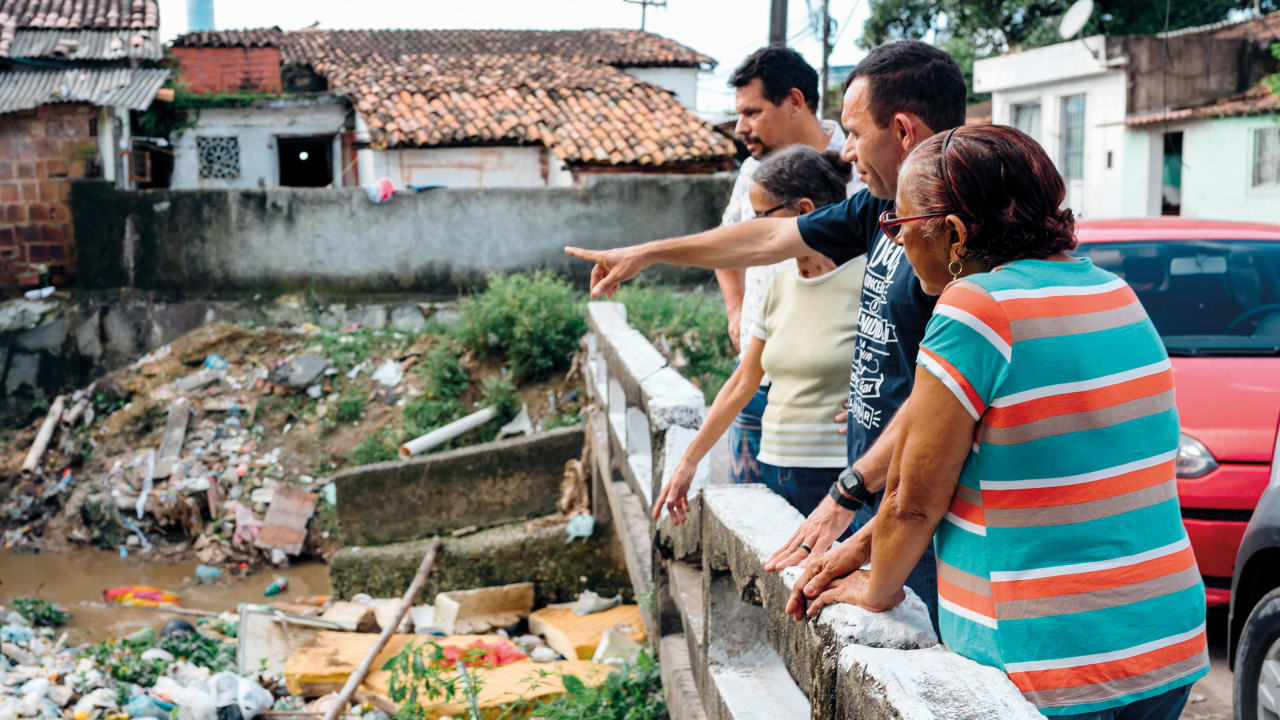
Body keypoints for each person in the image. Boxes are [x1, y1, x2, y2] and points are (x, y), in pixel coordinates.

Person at [785, 124, 1208, 719]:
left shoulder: (975, 307)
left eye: (897, 226)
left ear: (954, 234)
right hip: (1164, 641)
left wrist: (875, 589)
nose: (897, 244)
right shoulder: (1114, 291)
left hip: (1049, 660)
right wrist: (860, 545)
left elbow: (914, 501)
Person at [566, 41, 968, 628]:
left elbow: (945, 394)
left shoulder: (953, 245)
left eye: (853, 134)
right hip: (876, 486)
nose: (846, 152)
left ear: (904, 131)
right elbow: (762, 241)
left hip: (917, 496)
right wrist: (648, 253)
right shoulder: (879, 214)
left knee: (928, 647)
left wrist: (845, 493)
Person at [656, 146, 864, 523]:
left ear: (803, 212)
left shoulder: (868, 279)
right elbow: (744, 380)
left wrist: (874, 405)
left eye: (759, 217)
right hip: (773, 469)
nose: (748, 229)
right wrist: (688, 463)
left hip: (838, 482)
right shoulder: (780, 283)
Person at [717, 46, 858, 487]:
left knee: (818, 534)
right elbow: (727, 244)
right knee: (747, 520)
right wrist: (736, 310)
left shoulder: (860, 170)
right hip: (754, 381)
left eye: (752, 112)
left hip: (826, 396)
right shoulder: (751, 172)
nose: (742, 127)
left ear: (795, 102)